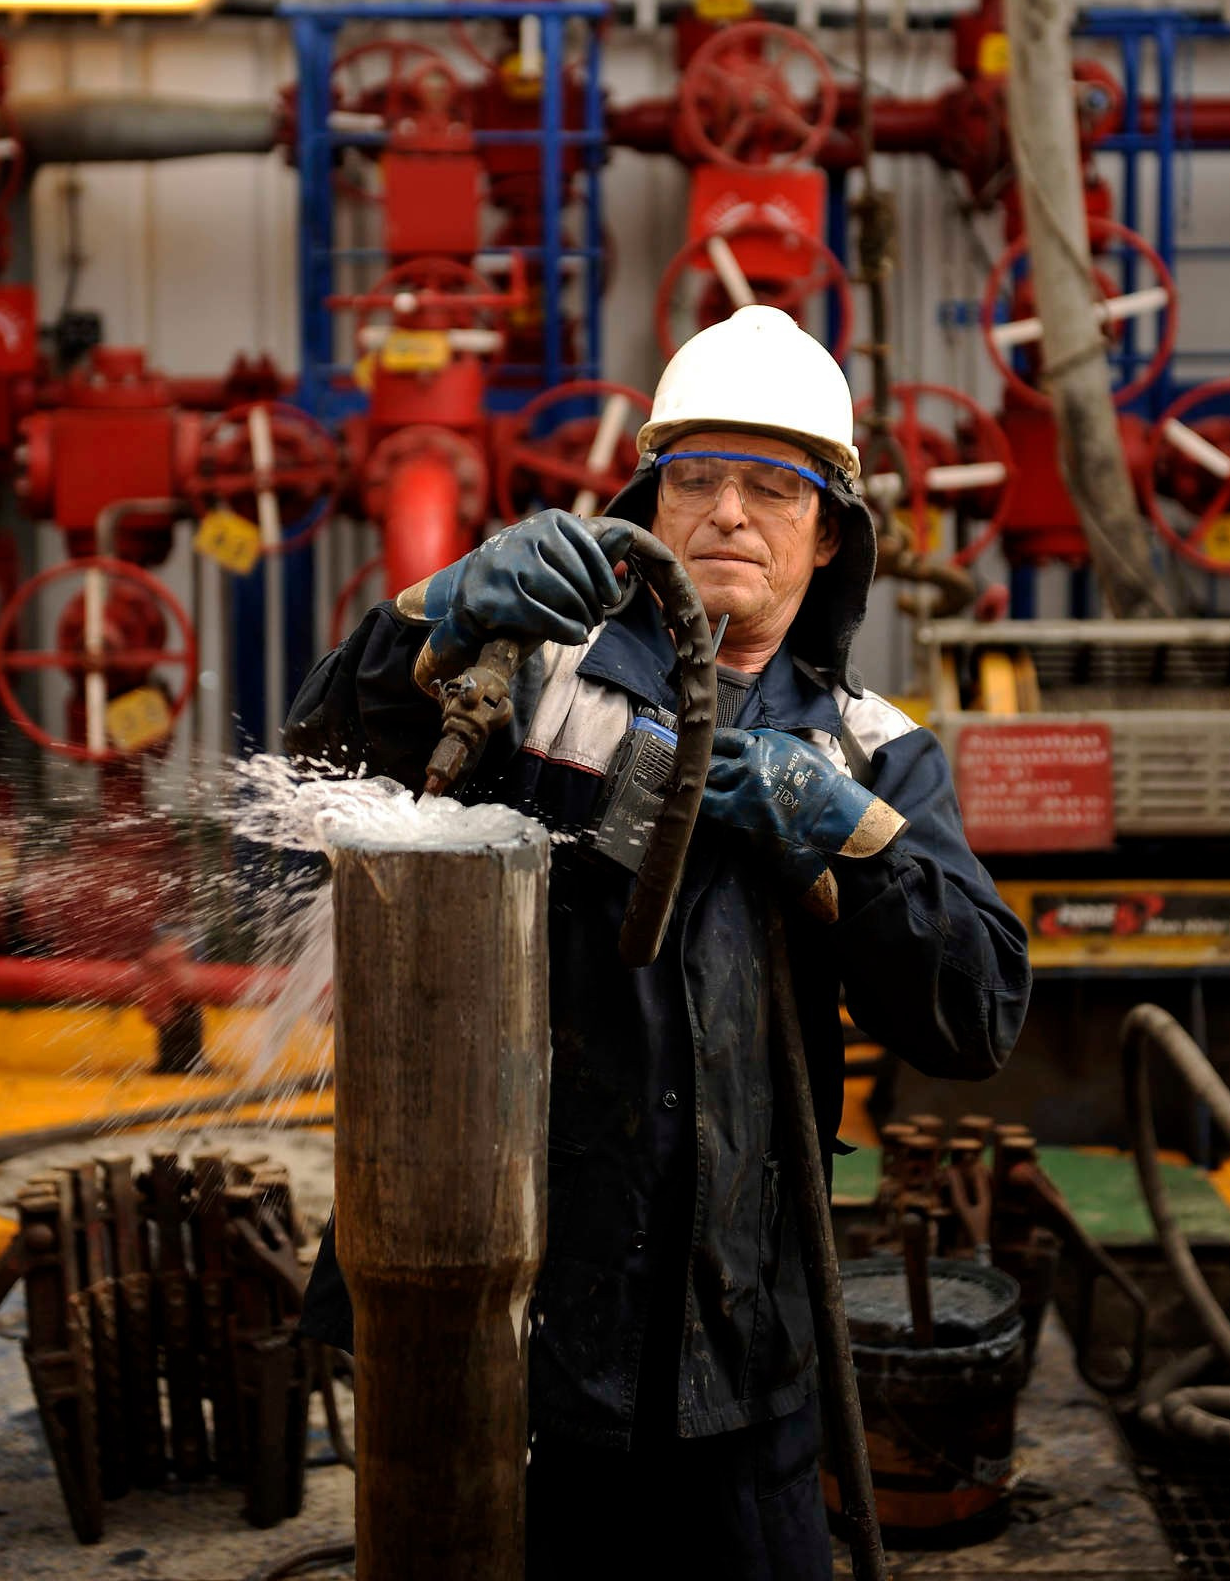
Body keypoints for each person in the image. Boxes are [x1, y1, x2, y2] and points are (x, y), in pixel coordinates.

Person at [287, 305, 1031, 1581]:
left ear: (829, 532)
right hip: (501, 1311)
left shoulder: (872, 752)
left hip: (738, 1337)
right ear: (650, 499)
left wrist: (842, 834)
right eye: (698, 477)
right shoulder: (531, 676)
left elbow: (979, 1013)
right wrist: (430, 616)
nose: (728, 512)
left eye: (772, 486)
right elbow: (315, 779)